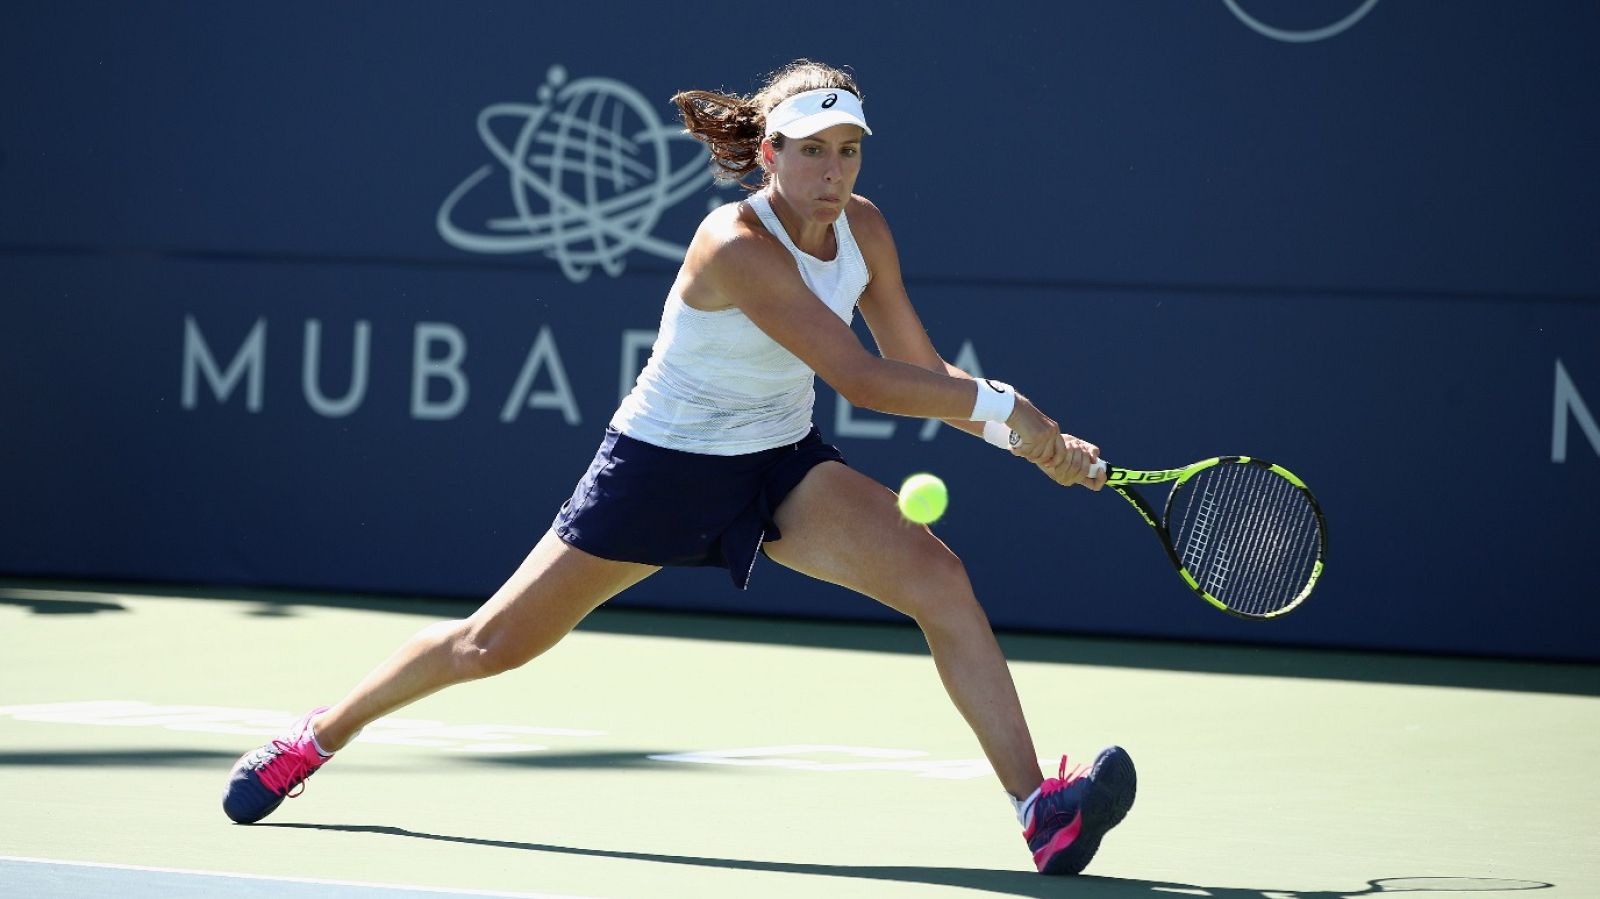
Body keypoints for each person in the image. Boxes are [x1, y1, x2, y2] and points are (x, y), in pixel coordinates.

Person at [221, 59, 1135, 876]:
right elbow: (861, 379)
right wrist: (1013, 408)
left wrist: (1036, 446)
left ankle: (1038, 814)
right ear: (768, 153)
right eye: (814, 151)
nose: (835, 172)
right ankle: (317, 736)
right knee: (489, 645)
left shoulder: (865, 228)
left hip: (780, 462)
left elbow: (925, 372)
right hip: (661, 468)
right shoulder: (733, 244)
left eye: (849, 150)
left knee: (940, 578)